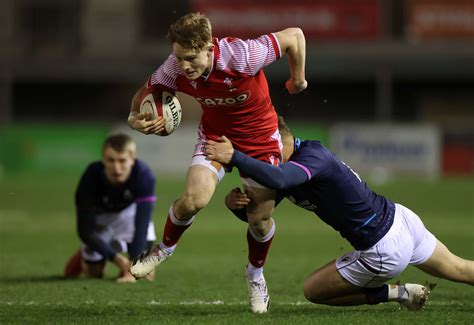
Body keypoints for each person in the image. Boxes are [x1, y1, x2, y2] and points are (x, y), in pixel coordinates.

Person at [126, 12, 306, 313]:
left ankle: (255, 274)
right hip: (215, 136)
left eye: (191, 58)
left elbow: (295, 35)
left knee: (259, 221)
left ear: (210, 48)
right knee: (192, 200)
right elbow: (150, 89)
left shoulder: (243, 56)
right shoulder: (175, 66)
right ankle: (163, 250)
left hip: (260, 141)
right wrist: (134, 119)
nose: (184, 66)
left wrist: (297, 78)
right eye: (179, 57)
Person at [205, 116, 474, 310]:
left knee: (313, 290)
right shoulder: (285, 169)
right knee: (460, 268)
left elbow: (281, 180)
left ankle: (400, 293)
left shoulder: (312, 156)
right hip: (400, 220)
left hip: (382, 246)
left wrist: (236, 157)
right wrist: (236, 207)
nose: (258, 156)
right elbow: (262, 214)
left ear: (274, 140)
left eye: (260, 149)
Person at [64, 133, 157, 283]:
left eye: (122, 161)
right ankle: (87, 254)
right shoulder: (91, 177)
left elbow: (142, 224)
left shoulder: (144, 176)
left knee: (146, 275)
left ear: (132, 159)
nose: (117, 168)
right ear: (103, 159)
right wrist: (118, 260)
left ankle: (111, 247)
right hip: (101, 220)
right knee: (92, 274)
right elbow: (85, 231)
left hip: (130, 216)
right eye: (111, 160)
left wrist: (134, 266)